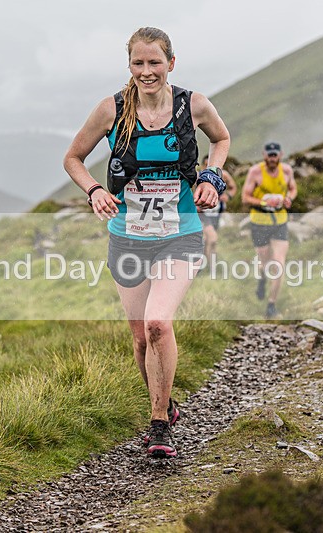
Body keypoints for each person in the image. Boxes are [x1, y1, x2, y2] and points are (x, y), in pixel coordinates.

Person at [63, 27, 230, 458]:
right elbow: (73, 158)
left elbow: (221, 138)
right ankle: (165, 403)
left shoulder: (193, 105)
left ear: (171, 63)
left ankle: (158, 425)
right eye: (138, 63)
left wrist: (211, 176)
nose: (146, 71)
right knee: (140, 338)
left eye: (155, 62)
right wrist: (94, 191)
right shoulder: (112, 110)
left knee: (158, 323)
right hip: (128, 238)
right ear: (129, 65)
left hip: (180, 234)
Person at [241, 141, 297, 319]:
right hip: (260, 222)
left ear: (280, 155)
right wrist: (264, 202)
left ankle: (271, 305)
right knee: (264, 263)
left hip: (280, 222)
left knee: (278, 264)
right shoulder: (255, 172)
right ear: (264, 155)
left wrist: (289, 199)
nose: (272, 159)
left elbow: (293, 188)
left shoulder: (286, 171)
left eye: (275, 155)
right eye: (269, 155)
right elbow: (245, 198)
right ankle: (262, 279)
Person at [197, 155, 237, 265]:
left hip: (216, 213)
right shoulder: (198, 176)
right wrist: (194, 204)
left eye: (210, 165)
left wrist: (228, 195)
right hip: (203, 213)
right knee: (212, 238)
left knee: (209, 239)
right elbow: (187, 191)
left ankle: (206, 263)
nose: (208, 168)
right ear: (202, 166)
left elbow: (233, 187)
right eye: (206, 165)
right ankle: (211, 265)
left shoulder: (224, 175)